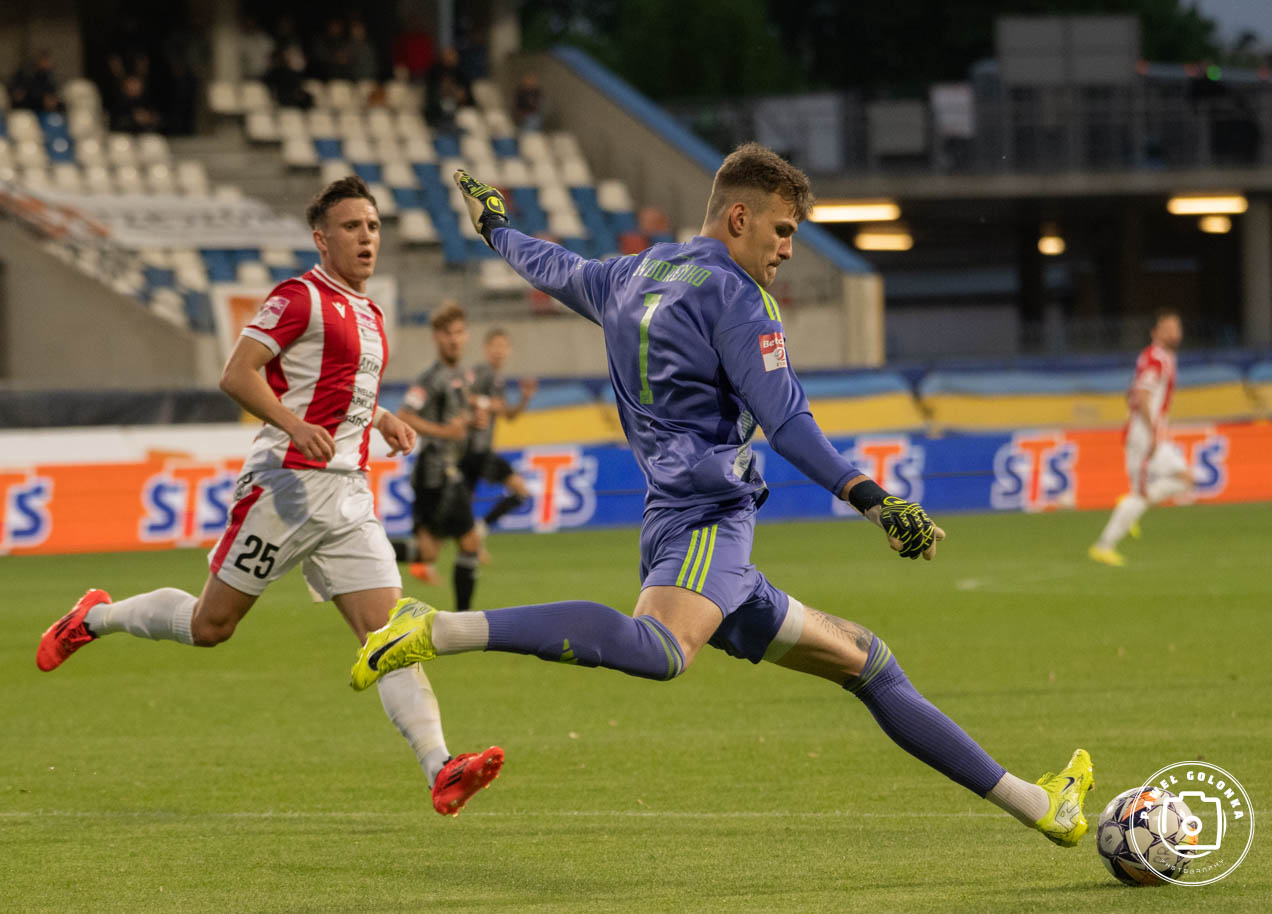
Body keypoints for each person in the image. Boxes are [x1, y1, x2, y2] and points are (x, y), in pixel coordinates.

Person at [350, 146, 1096, 849]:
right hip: (709, 519)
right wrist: (871, 498)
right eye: (782, 230)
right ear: (739, 217)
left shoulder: (630, 273)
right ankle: (441, 627)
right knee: (661, 650)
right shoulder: (740, 300)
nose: (788, 249)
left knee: (868, 663)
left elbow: (552, 266)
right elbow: (788, 423)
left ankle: (1042, 806)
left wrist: (496, 229)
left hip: (678, 523)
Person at [36, 176, 502, 817]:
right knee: (211, 626)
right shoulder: (298, 297)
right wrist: (291, 424)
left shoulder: (371, 314)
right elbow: (237, 374)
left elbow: (334, 388)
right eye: (351, 227)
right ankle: (94, 618)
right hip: (285, 486)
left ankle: (440, 767)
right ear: (322, 239)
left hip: (347, 496)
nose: (366, 237)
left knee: (390, 637)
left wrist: (382, 417)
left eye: (372, 226)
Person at [395, 301, 484, 609]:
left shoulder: (459, 375)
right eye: (448, 333)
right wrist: (445, 432)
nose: (454, 339)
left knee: (427, 552)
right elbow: (405, 414)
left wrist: (472, 420)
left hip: (446, 471)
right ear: (436, 337)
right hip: (435, 472)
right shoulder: (430, 378)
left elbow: (455, 420)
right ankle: (464, 619)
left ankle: (355, 556)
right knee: (470, 543)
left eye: (459, 332)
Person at [1089, 310, 1191, 566]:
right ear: (1155, 333)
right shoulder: (1155, 358)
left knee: (1180, 482)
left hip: (1150, 432)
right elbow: (1142, 395)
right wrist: (1152, 431)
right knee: (1180, 481)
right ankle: (1104, 544)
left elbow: (1134, 392)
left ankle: (1129, 507)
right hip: (1145, 435)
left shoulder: (1162, 358)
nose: (1174, 333)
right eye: (1168, 329)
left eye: (1176, 328)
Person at [462, 329, 538, 556]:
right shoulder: (480, 372)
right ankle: (475, 537)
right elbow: (462, 395)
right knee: (520, 490)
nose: (499, 351)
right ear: (486, 349)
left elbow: (508, 415)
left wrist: (524, 399)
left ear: (509, 350)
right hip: (471, 448)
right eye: (495, 346)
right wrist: (488, 404)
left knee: (464, 506)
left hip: (481, 450)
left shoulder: (498, 380)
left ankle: (475, 539)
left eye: (503, 346)